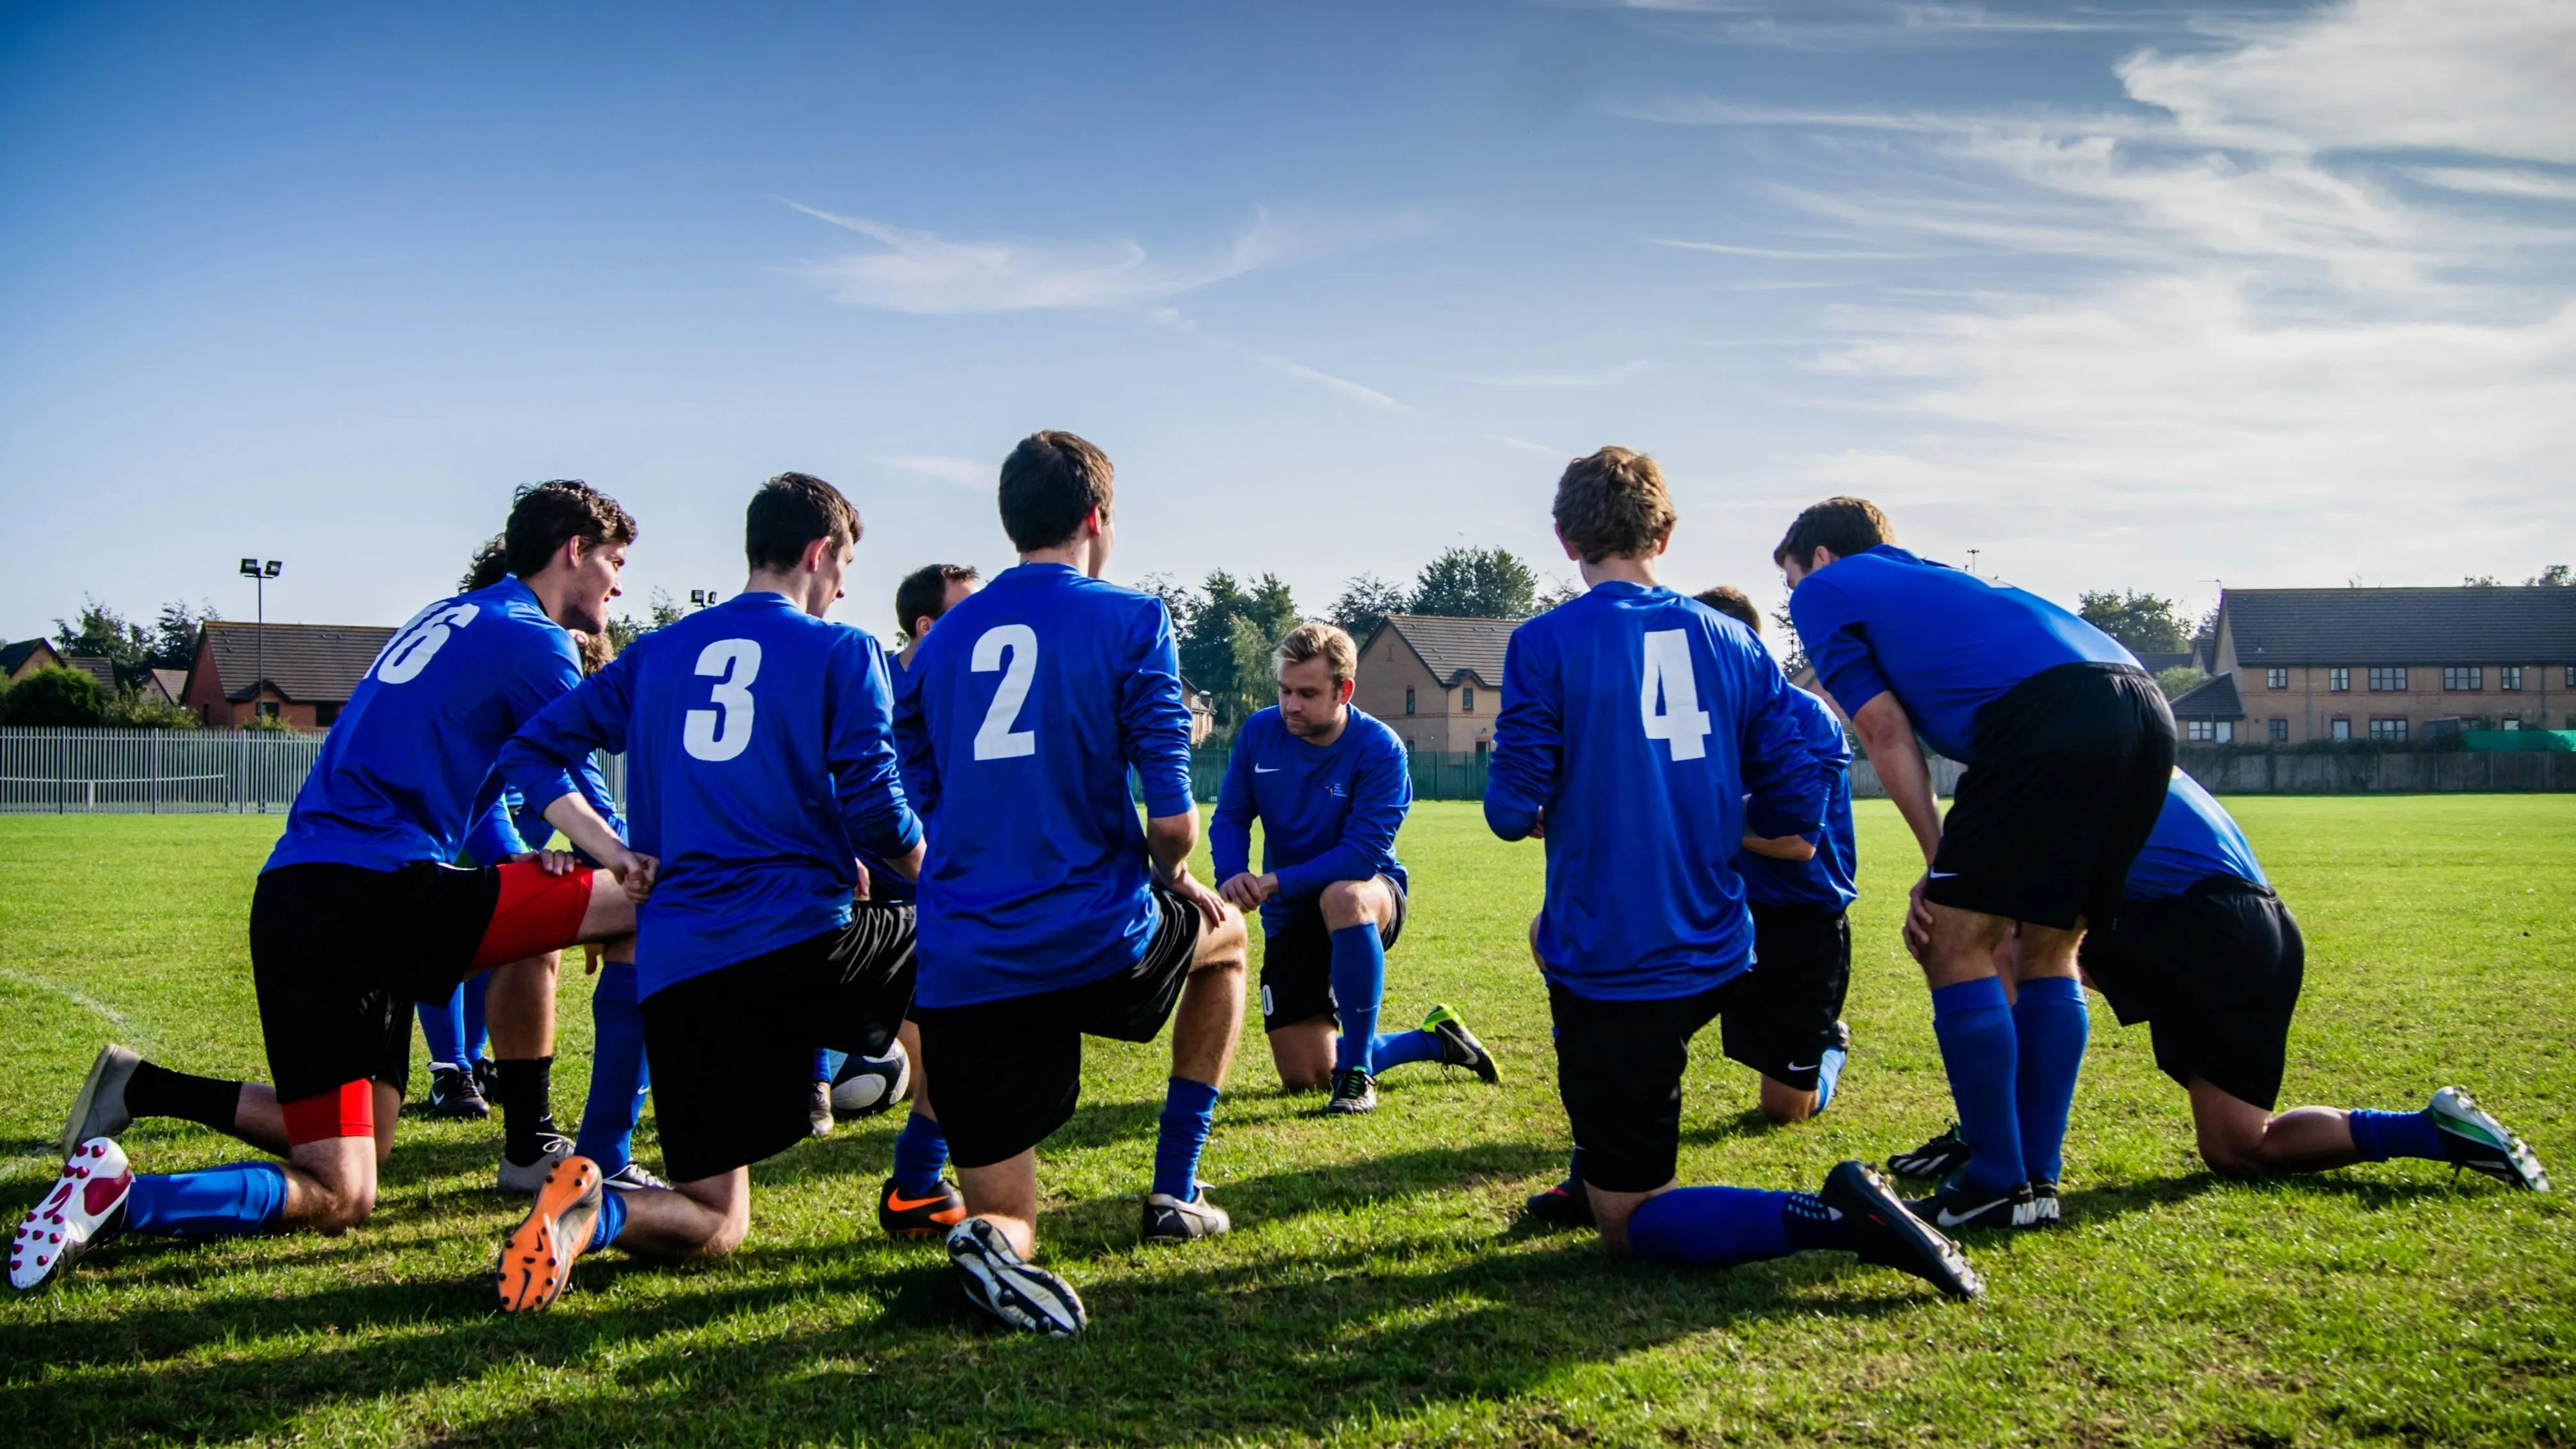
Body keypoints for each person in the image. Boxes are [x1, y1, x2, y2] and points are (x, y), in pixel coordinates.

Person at [15, 482, 644, 1293]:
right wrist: (624, 865)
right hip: (373, 894)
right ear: (572, 550)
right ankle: (568, 1155)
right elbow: (573, 774)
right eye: (615, 562)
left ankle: (120, 1188)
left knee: (347, 1181)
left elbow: (472, 792)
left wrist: (545, 871)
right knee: (640, 900)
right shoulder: (535, 640)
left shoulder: (450, 618)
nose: (618, 585)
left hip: (295, 899)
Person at [1488, 448, 1978, 1301]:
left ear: (1566, 538)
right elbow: (1801, 780)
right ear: (1666, 533)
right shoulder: (1734, 642)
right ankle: (1596, 1154)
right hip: (1723, 940)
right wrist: (1718, 813)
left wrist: (1550, 799)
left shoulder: (1544, 641)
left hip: (1620, 958)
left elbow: (1507, 805)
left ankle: (1835, 1215)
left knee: (1629, 1218)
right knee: (1558, 952)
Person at [483, 471, 926, 1313]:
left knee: (716, 1217)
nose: (846, 585)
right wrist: (937, 874)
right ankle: (928, 1177)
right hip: (799, 945)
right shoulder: (843, 649)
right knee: (964, 953)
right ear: (818, 551)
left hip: (681, 969)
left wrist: (612, 851)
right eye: (847, 563)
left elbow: (529, 754)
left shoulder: (658, 652)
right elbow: (876, 803)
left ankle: (591, 1209)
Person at [898, 430, 1248, 1336]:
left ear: (1012, 520)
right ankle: (1175, 1185)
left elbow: (918, 801)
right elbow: (1173, 821)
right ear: (1098, 517)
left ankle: (991, 1241)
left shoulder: (934, 646)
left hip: (968, 960)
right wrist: (1173, 874)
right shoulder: (1133, 618)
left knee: (1011, 1210)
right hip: (1095, 938)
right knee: (1230, 942)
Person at [1777, 496, 2175, 1232]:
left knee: (1951, 939)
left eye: (1792, 579)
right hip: (2143, 705)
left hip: (2048, 714)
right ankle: (2034, 1180)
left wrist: (1939, 858)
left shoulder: (1829, 587)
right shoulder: (1930, 582)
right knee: (2048, 948)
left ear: (1820, 559)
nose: (1795, 598)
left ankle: (1995, 1176)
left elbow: (1882, 729)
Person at [1890, 773, 2550, 1193]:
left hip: (2200, 922)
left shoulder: (2053, 756)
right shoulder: (2114, 738)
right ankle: (2429, 1131)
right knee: (2239, 1147)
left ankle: (1993, 1149)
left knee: (1998, 943)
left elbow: (2007, 904)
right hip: (2263, 931)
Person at [1212, 620, 1497, 1113]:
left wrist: (1274, 880)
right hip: (1290, 912)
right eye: (1284, 690)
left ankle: (1359, 1073)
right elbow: (1232, 815)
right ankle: (1434, 1039)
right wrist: (1233, 871)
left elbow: (1360, 855)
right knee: (1306, 1076)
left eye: (1306, 693)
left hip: (1370, 896)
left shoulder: (1381, 748)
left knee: (1342, 894)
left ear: (1344, 690)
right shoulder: (1260, 732)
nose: (1291, 704)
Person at [827, 562, 982, 1241]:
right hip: (868, 876)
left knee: (956, 1023)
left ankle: (917, 1179)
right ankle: (813, 1085)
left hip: (933, 876)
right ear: (928, 624)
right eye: (965, 610)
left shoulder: (963, 688)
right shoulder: (867, 678)